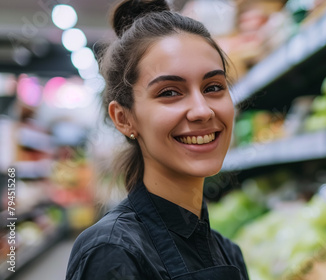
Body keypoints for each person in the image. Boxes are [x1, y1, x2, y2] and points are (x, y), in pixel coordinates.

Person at [65, 0, 249, 279]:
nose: (202, 110)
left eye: (213, 87)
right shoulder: (112, 253)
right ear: (124, 118)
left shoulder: (228, 251)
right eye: (170, 92)